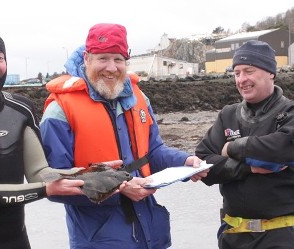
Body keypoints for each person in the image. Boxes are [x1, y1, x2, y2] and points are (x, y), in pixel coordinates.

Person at [0, 29, 122, 249]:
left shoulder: (20, 109)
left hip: (17, 238)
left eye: (0, 58)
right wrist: (46, 190)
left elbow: (40, 172)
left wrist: (89, 173)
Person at [40, 23, 208, 249]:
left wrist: (185, 162)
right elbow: (55, 184)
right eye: (103, 58)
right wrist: (119, 188)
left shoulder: (139, 98)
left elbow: (153, 152)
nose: (111, 68)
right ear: (87, 57)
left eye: (118, 59)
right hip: (100, 238)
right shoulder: (59, 111)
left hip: (149, 232)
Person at [195, 40, 294, 249]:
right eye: (237, 73)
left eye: (248, 71)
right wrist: (247, 166)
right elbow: (204, 162)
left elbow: (282, 150)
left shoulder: (290, 114)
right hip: (232, 235)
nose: (242, 79)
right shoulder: (228, 115)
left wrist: (232, 148)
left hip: (282, 236)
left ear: (270, 73)